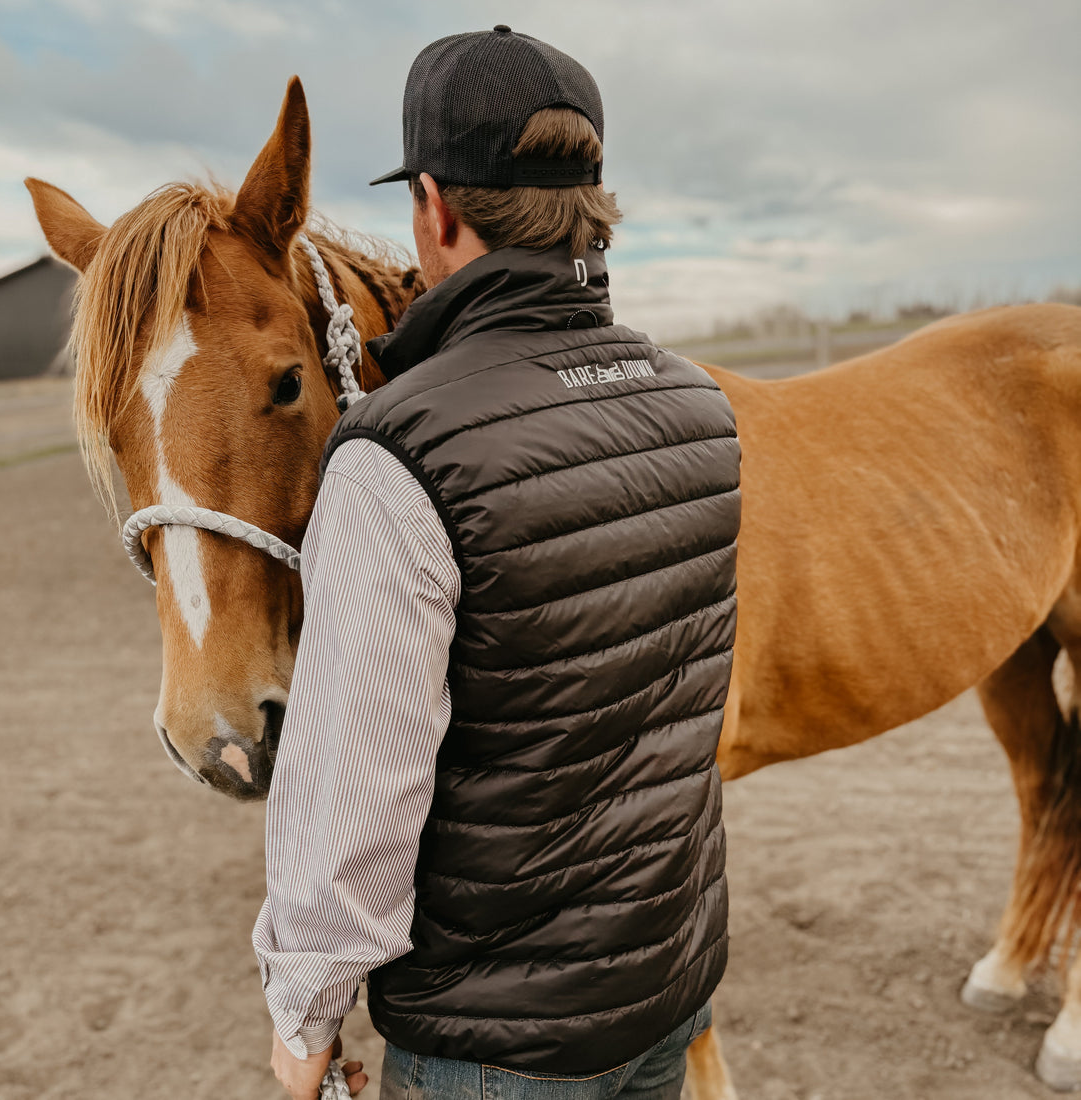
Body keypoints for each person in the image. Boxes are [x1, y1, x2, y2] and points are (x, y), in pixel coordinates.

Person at [253, 25, 741, 1100]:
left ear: (433, 206)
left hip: (493, 1044)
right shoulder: (699, 407)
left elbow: (357, 790)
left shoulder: (401, 451)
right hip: (664, 991)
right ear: (589, 201)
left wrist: (304, 1017)